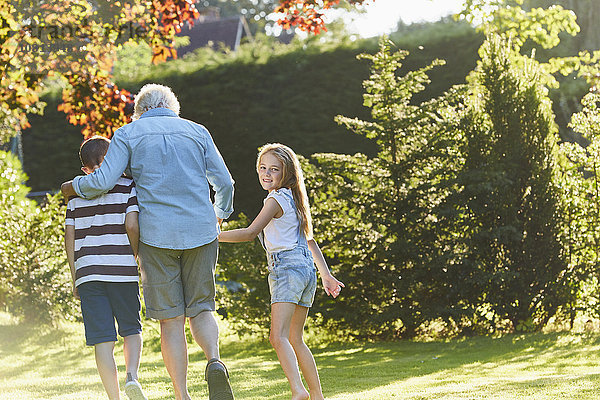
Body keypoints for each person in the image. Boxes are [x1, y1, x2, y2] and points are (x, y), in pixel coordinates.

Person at [61, 84, 235, 400]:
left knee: (171, 320)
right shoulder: (197, 131)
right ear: (173, 107)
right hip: (201, 230)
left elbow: (103, 181)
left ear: (139, 110)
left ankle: (182, 394)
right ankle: (214, 360)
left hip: (156, 237)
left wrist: (71, 185)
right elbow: (224, 182)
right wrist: (219, 214)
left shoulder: (128, 134)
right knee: (202, 308)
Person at [218, 143, 344, 400]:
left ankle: (299, 391)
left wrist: (212, 236)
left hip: (287, 269)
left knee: (278, 337)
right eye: (262, 168)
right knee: (295, 338)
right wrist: (326, 275)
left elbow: (250, 233)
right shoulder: (294, 198)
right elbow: (309, 241)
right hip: (306, 270)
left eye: (274, 169)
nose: (266, 174)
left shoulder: (276, 199)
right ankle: (317, 396)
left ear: (286, 173)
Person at [64, 136, 147, 400]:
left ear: (85, 170)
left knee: (102, 338)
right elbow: (132, 225)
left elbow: (70, 240)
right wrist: (133, 255)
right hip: (121, 267)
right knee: (131, 329)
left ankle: (114, 397)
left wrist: (75, 277)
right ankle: (131, 376)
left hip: (88, 272)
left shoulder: (75, 197)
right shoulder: (127, 187)